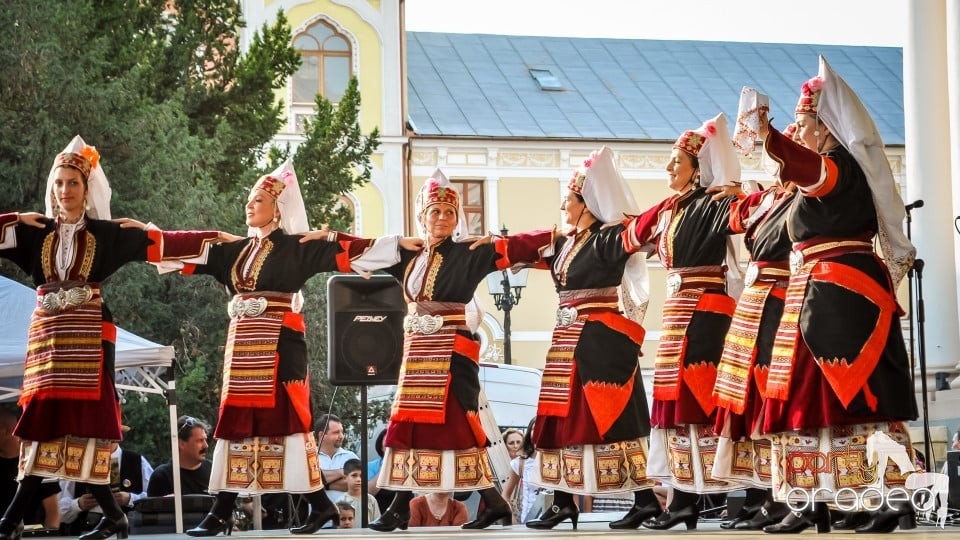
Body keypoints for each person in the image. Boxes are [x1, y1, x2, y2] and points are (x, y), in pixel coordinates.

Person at [147, 161, 421, 537]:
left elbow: (340, 248)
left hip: (280, 350)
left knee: (288, 428)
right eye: (249, 199)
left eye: (257, 199)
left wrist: (392, 245)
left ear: (278, 208)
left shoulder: (295, 247)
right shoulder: (237, 251)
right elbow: (194, 248)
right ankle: (305, 507)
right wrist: (145, 239)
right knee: (236, 426)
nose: (249, 205)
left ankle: (223, 512)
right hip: (242, 351)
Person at [754, 56, 917, 534]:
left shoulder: (841, 168)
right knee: (809, 399)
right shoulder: (816, 176)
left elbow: (810, 170)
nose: (798, 133)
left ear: (826, 128)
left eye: (803, 125)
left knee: (853, 398)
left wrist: (770, 138)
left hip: (845, 296)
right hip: (817, 295)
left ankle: (891, 497)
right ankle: (813, 501)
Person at [0, 135, 173, 540]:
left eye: (73, 183)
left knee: (85, 424)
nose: (65, 191)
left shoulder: (106, 233)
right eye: (58, 183)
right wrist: (10, 219)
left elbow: (169, 245)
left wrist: (149, 232)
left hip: (92, 336)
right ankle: (113, 517)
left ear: (87, 187)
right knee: (45, 420)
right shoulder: (33, 232)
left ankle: (10, 520)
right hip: (49, 338)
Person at [370, 170, 554, 532]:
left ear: (457, 219)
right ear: (422, 215)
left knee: (455, 426)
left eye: (449, 213)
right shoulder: (407, 257)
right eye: (435, 211)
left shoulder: (470, 252)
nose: (442, 219)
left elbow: (515, 245)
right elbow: (364, 251)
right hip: (418, 353)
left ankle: (399, 508)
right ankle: (492, 503)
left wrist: (557, 235)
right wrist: (334, 239)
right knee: (413, 427)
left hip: (452, 356)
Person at [621, 114, 744, 531]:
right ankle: (682, 498)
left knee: (698, 403)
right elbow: (631, 231)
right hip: (678, 316)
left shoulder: (714, 202)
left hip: (706, 315)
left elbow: (745, 215)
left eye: (676, 162)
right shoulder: (672, 209)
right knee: (674, 407)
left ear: (697, 168)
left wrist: (740, 193)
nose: (669, 168)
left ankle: (698, 498)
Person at [522, 146, 655, 531]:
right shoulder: (566, 243)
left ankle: (645, 499)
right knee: (562, 420)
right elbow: (529, 244)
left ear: (587, 204)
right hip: (567, 340)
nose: (563, 207)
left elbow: (639, 231)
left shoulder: (607, 238)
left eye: (568, 201)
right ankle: (564, 500)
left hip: (599, 343)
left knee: (609, 422)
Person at [708, 123, 799, 531]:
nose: (773, 161)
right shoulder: (771, 197)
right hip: (755, 302)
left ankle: (781, 496)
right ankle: (762, 493)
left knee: (768, 392)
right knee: (744, 396)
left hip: (779, 301)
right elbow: (738, 218)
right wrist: (741, 194)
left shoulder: (800, 195)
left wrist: (748, 195)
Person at [59, 436, 152, 535]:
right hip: (86, 531)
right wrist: (78, 505)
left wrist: (130, 499)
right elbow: (57, 511)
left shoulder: (137, 461)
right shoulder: (77, 462)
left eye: (109, 436)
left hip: (127, 533)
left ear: (118, 437)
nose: (105, 440)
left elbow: (155, 500)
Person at [0, 409, 59, 531]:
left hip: (28, 534)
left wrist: (49, 535)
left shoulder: (38, 464)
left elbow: (53, 512)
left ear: (4, 431)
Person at [147, 416, 212, 497]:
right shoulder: (162, 477)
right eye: (200, 440)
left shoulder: (213, 471)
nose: (206, 446)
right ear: (181, 443)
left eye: (205, 440)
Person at [501, 418, 538, 524]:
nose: (515, 445)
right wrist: (513, 522)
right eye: (534, 428)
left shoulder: (560, 459)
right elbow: (505, 495)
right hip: (529, 522)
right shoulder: (520, 463)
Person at [316, 414, 359, 503]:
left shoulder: (351, 456)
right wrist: (342, 472)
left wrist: (323, 484)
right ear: (322, 435)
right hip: (318, 516)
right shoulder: (310, 457)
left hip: (347, 516)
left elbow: (357, 485)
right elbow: (307, 483)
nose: (341, 436)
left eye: (342, 432)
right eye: (336, 432)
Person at [335, 459, 379, 527]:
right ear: (345, 477)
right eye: (354, 475)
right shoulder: (340, 501)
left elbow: (376, 523)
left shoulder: (371, 500)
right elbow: (337, 527)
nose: (358, 479)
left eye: (361, 476)